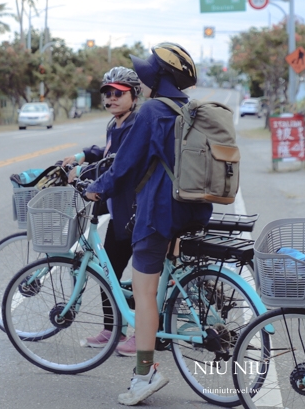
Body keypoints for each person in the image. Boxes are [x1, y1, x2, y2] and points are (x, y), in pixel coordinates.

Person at [84, 42, 211, 406]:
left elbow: (124, 165)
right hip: (191, 210)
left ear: (157, 77)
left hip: (159, 213)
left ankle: (145, 373)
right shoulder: (186, 108)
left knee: (143, 295)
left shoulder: (153, 110)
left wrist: (97, 189)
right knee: (156, 286)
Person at [60, 66, 142, 354]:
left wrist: (92, 181)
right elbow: (108, 153)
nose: (111, 98)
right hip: (120, 208)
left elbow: (120, 167)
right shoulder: (116, 124)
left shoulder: (135, 125)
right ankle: (114, 329)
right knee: (111, 272)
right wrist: (84, 155)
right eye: (107, 93)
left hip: (134, 212)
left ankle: (130, 332)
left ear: (134, 95)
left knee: (119, 273)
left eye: (118, 93)